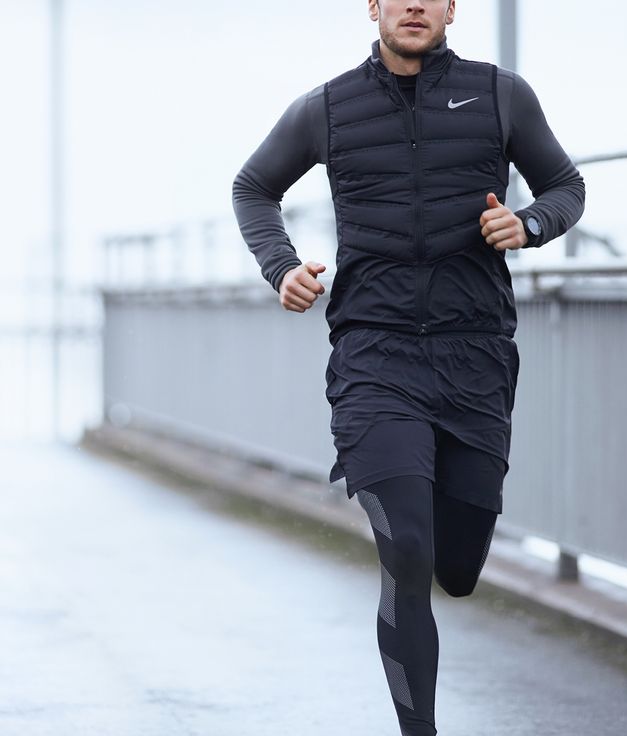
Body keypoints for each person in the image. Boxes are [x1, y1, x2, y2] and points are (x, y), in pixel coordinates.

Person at [232, 0, 585, 732]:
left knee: (455, 567)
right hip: (375, 356)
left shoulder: (501, 95)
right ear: (374, 5)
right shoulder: (326, 108)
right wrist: (281, 267)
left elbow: (566, 187)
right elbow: (254, 187)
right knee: (408, 550)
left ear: (453, 6)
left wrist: (529, 224)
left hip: (475, 357)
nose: (416, 4)